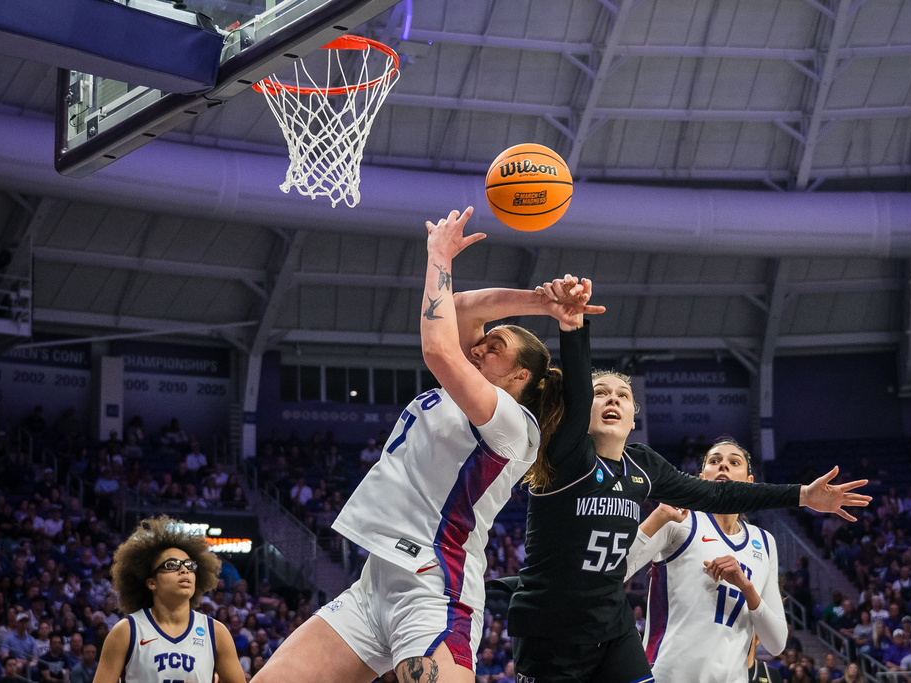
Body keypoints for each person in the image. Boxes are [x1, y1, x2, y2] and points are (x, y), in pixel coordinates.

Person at [250, 207, 601, 683]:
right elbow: (458, 310)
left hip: (435, 587)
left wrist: (439, 256)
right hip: (375, 583)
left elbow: (438, 347)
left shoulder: (513, 423)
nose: (478, 346)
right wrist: (542, 304)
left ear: (521, 376)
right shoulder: (467, 393)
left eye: (493, 347)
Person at [502, 276, 870, 683]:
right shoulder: (568, 455)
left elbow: (716, 493)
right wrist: (573, 328)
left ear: (633, 416)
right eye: (600, 393)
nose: (612, 400)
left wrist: (801, 495)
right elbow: (575, 391)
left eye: (622, 395)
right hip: (551, 626)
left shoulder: (643, 465)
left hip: (611, 625)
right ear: (583, 410)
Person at [623, 438, 787, 683]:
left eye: (734, 462)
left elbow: (776, 643)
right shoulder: (681, 520)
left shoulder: (764, 541)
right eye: (714, 461)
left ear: (750, 483)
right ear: (700, 478)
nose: (723, 466)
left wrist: (747, 588)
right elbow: (615, 572)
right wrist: (656, 518)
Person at [89, 515, 245, 683]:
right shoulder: (126, 631)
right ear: (151, 582)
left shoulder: (216, 632)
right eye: (172, 565)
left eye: (189, 565)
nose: (184, 570)